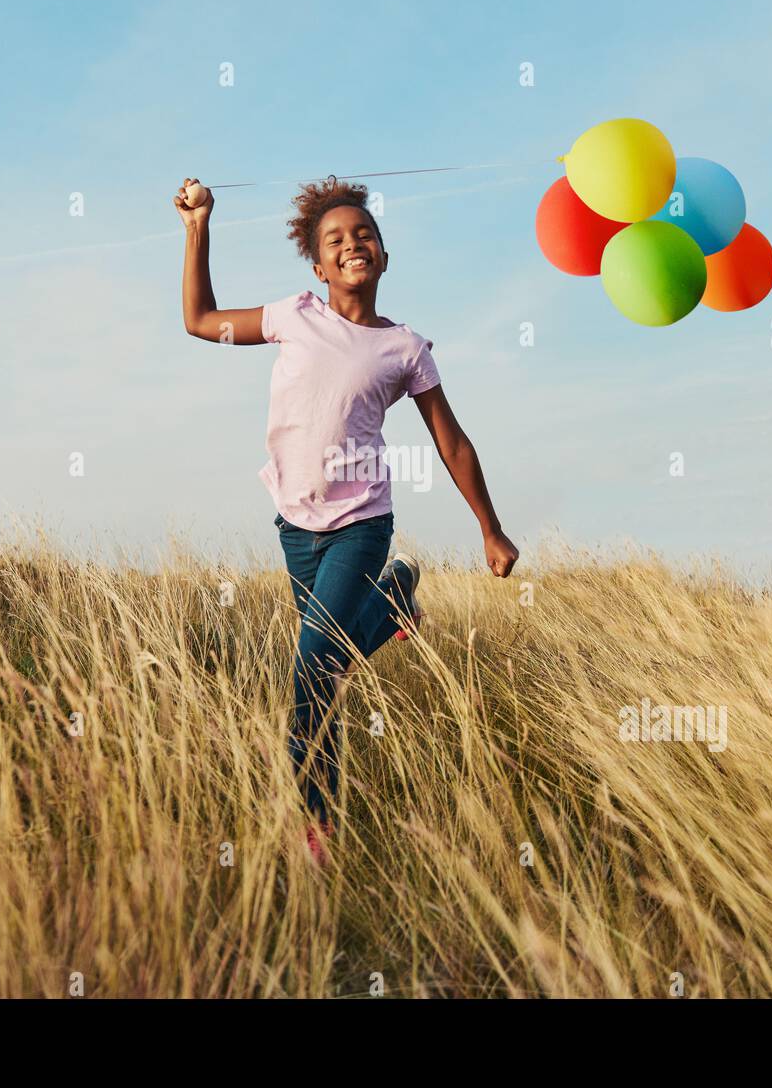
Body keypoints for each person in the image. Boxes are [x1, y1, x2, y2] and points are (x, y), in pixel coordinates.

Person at [175, 174, 519, 866]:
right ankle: (394, 604)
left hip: (363, 522)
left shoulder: (406, 349)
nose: (352, 243)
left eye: (365, 234)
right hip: (294, 525)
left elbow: (450, 440)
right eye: (336, 239)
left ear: (384, 257)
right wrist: (197, 228)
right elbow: (200, 320)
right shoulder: (292, 316)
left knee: (309, 664)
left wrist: (490, 525)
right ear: (318, 265)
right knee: (326, 676)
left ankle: (316, 825)